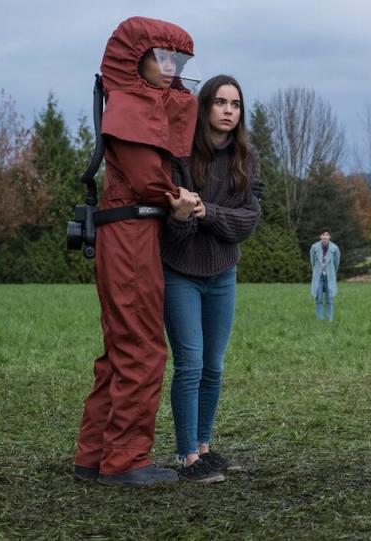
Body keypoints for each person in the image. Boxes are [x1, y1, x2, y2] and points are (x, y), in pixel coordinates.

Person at [74, 16, 201, 487]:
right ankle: (124, 459)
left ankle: (93, 455)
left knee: (121, 349)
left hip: (130, 233)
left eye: (176, 60)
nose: (170, 68)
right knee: (143, 348)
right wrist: (180, 198)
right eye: (161, 57)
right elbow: (149, 180)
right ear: (136, 58)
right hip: (129, 235)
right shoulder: (130, 106)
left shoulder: (131, 104)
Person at [161, 75, 261, 482]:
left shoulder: (246, 158)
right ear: (204, 108)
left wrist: (206, 213)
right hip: (180, 272)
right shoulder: (181, 157)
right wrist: (184, 216)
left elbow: (248, 220)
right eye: (219, 102)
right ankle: (187, 456)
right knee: (190, 364)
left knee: (213, 366)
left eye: (235, 104)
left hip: (223, 273)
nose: (228, 110)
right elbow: (174, 229)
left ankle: (204, 445)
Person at [310, 228, 341, 321]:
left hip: (329, 277)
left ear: (329, 237)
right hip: (318, 277)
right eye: (323, 235)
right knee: (318, 298)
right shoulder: (314, 247)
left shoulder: (335, 248)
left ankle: (330, 319)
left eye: (327, 235)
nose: (325, 237)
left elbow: (336, 263)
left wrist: (331, 273)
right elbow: (312, 262)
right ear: (320, 237)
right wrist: (317, 272)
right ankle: (320, 319)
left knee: (329, 299)